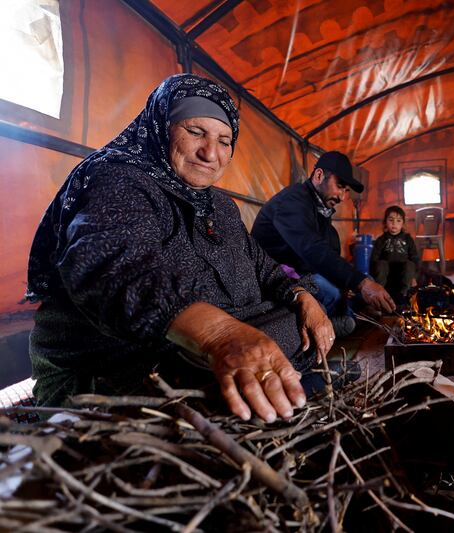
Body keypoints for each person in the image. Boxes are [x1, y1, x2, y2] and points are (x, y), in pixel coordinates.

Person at [26, 74, 338, 423]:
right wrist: (221, 335)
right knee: (246, 357)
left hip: (202, 342)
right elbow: (116, 266)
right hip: (115, 364)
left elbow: (263, 267)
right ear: (162, 124)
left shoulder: (219, 205)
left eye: (224, 140)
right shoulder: (116, 179)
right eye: (195, 132)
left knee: (306, 320)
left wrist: (300, 296)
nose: (211, 153)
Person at [251, 151, 396, 334]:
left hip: (304, 272)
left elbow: (328, 253)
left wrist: (353, 283)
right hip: (275, 277)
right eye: (340, 186)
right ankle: (331, 325)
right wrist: (359, 283)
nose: (342, 197)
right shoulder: (292, 202)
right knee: (332, 290)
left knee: (365, 282)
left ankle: (343, 318)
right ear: (319, 175)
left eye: (346, 191)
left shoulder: (321, 209)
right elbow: (312, 250)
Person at [370, 206, 420, 301]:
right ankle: (381, 294)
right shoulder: (381, 240)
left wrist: (414, 278)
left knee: (410, 264)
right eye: (391, 220)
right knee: (381, 263)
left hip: (403, 274)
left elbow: (415, 258)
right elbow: (374, 259)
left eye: (398, 221)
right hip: (386, 274)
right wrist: (373, 279)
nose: (394, 224)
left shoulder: (408, 239)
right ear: (385, 222)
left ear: (403, 223)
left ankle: (404, 295)